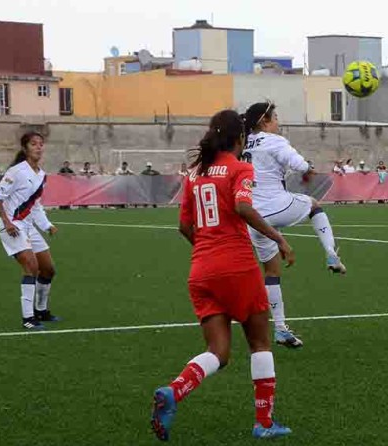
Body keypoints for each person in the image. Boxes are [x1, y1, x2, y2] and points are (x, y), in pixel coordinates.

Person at [150, 109, 293, 441]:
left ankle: (174, 392)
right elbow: (243, 206)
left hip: (201, 270)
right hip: (237, 267)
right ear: (239, 138)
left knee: (219, 352)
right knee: (259, 343)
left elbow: (184, 226)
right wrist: (278, 237)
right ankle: (264, 423)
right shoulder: (241, 168)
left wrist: (209, 251)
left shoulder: (196, 174)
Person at [242, 102, 346, 348]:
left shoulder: (245, 142)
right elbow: (299, 165)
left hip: (253, 217)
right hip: (275, 205)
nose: (278, 122)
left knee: (272, 273)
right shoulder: (275, 140)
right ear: (264, 121)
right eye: (275, 117)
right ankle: (331, 254)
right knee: (313, 205)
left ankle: (279, 329)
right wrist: (308, 167)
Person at [0, 132, 60, 330]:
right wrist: (7, 222)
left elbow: (35, 205)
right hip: (12, 225)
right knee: (31, 267)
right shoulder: (16, 171)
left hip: (28, 226)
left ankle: (41, 311)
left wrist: (47, 225)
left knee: (48, 269)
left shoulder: (41, 175)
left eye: (40, 144)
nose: (38, 147)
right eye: (33, 144)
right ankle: (28, 319)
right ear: (25, 148)